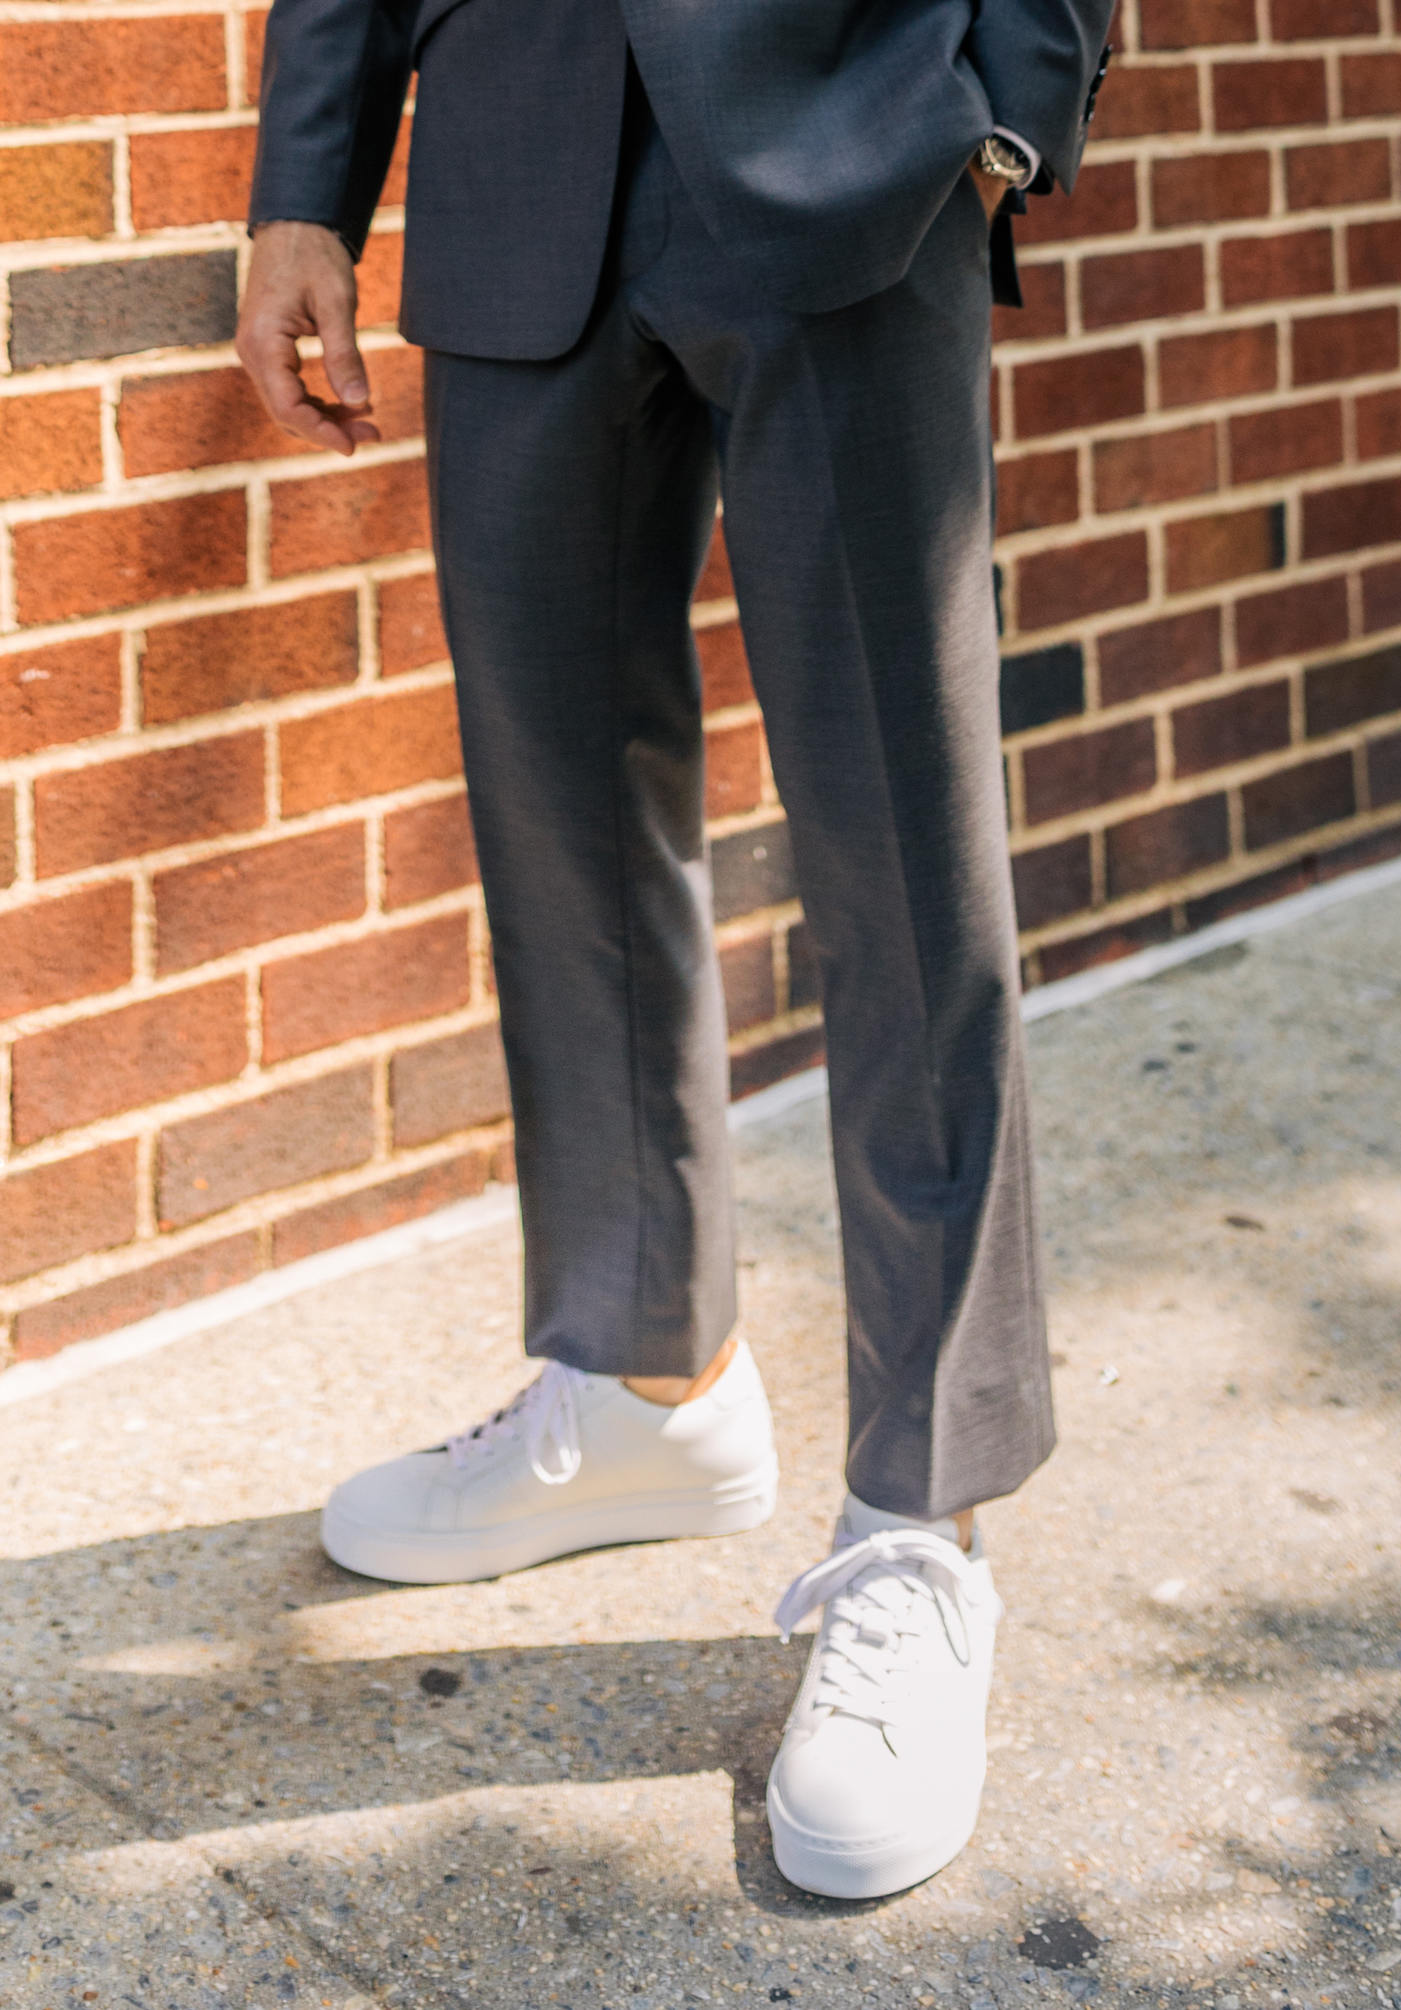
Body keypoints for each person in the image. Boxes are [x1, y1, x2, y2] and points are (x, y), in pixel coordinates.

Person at [237, 0, 1112, 1899]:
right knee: (556, 814)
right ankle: (645, 1386)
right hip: (510, 152)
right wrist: (307, 180)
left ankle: (921, 1515)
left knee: (900, 842)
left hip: (856, 131)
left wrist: (1009, 112)